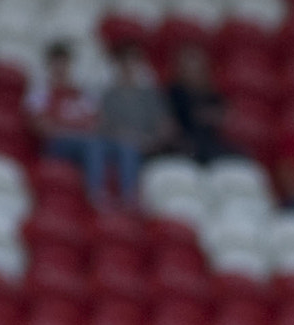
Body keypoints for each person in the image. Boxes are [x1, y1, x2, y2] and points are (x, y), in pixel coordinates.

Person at [24, 43, 107, 200]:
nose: (61, 68)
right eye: (57, 63)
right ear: (49, 65)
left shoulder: (81, 93)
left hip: (81, 141)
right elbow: (40, 127)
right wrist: (72, 130)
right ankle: (95, 194)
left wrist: (69, 128)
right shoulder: (41, 93)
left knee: (111, 146)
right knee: (92, 145)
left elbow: (98, 123)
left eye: (64, 63)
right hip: (55, 145)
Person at [97, 41, 174, 209]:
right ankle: (129, 199)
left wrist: (151, 141)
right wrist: (128, 137)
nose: (128, 67)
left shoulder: (150, 95)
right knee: (127, 148)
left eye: (132, 62)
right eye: (124, 63)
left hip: (149, 145)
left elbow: (165, 125)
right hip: (119, 144)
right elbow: (103, 126)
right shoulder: (109, 96)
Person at [165, 41, 233, 163]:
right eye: (189, 67)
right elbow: (171, 123)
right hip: (184, 144)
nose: (193, 71)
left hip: (211, 142)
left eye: (196, 67)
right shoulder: (173, 93)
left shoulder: (210, 93)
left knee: (238, 157)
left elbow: (223, 115)